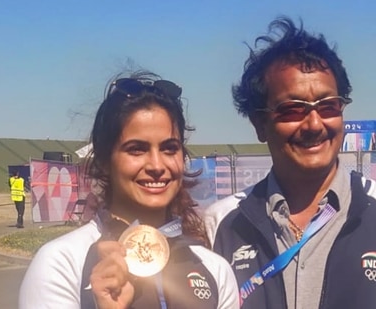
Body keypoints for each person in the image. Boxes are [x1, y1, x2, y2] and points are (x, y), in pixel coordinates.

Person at [202, 16, 376, 309]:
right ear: (259, 123)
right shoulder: (220, 225)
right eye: (293, 109)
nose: (314, 124)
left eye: (328, 106)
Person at [19, 71, 239, 309]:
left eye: (169, 148)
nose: (157, 165)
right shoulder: (61, 263)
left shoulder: (215, 269)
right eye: (136, 149)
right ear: (104, 160)